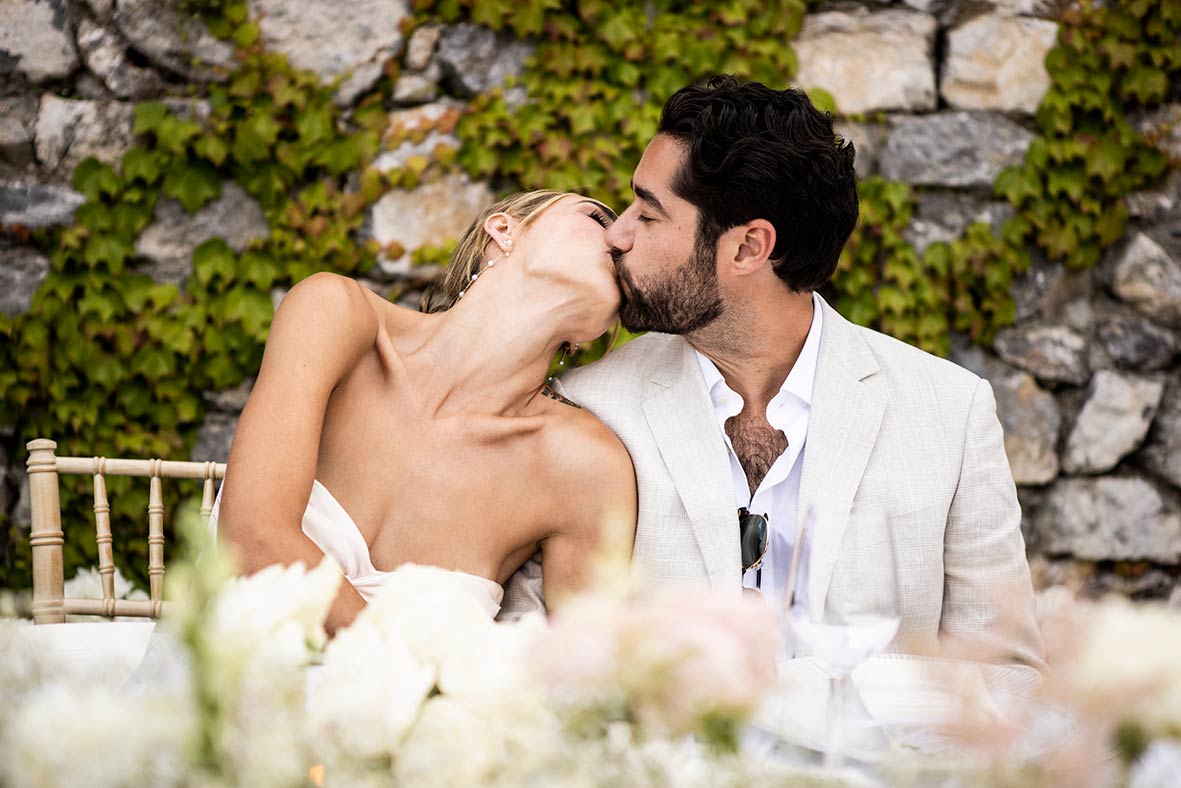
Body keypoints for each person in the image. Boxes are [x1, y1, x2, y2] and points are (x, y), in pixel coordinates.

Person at [502, 76, 1045, 669]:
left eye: (649, 214)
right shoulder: (585, 407)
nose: (617, 234)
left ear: (748, 248)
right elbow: (527, 655)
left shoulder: (950, 412)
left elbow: (1005, 671)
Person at [214, 190, 637, 634]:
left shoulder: (586, 467)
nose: (622, 238)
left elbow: (584, 661)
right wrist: (402, 666)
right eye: (597, 217)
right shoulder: (335, 315)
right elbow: (252, 538)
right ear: (502, 230)